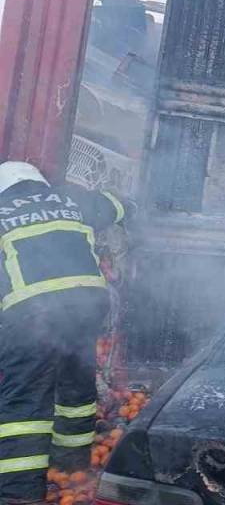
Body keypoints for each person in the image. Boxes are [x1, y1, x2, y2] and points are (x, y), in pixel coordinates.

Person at [0, 161, 129, 504]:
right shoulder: (71, 200)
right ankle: (71, 463)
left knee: (25, 399)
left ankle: (18, 494)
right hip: (86, 305)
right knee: (76, 381)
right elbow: (117, 205)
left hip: (32, 313)